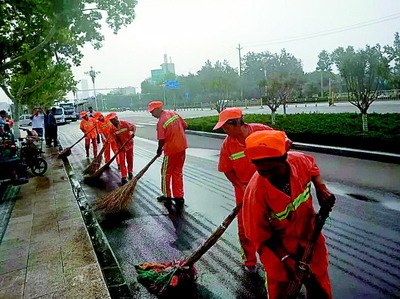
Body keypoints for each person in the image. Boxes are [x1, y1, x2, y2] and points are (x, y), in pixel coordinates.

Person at [242, 130, 335, 299]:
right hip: (278, 249)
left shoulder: (298, 161)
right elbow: (259, 234)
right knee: (281, 290)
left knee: (319, 284)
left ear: (284, 159)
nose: (268, 176)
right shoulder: (255, 192)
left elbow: (313, 167)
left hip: (309, 237)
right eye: (262, 171)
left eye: (272, 170)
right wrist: (286, 259)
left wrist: (321, 188)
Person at [213, 107, 276, 273]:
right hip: (244, 189)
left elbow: (283, 149)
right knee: (245, 227)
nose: (224, 131)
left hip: (270, 186)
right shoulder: (227, 144)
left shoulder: (262, 132)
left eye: (226, 127)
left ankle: (276, 259)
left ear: (237, 123)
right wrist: (241, 186)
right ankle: (249, 261)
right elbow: (227, 170)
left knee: (273, 223)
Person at [148, 101, 188, 204]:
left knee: (166, 173)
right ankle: (179, 196)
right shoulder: (174, 114)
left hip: (170, 151)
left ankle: (167, 195)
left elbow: (161, 139)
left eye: (152, 112)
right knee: (177, 172)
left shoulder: (161, 122)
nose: (152, 114)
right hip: (182, 147)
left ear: (158, 109)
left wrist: (159, 150)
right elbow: (185, 125)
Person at [109, 114, 135, 185]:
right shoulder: (112, 129)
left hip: (129, 144)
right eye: (111, 120)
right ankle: (124, 176)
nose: (113, 121)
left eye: (114, 119)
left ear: (117, 118)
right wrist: (120, 146)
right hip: (120, 146)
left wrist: (133, 133)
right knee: (122, 160)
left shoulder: (124, 123)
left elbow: (133, 127)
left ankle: (130, 172)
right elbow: (116, 139)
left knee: (130, 159)